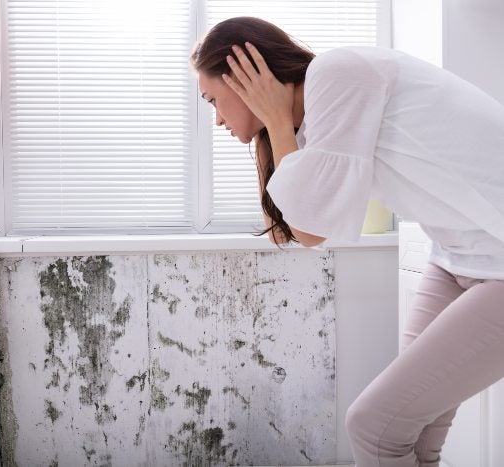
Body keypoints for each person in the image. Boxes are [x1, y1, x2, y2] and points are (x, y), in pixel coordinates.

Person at [190, 16, 504, 467]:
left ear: (244, 78)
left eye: (213, 100)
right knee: (412, 436)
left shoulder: (337, 75)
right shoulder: (312, 127)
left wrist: (277, 120)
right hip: (457, 256)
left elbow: (312, 227)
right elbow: (305, 231)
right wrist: (281, 126)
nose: (217, 118)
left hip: (496, 258)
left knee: (374, 427)